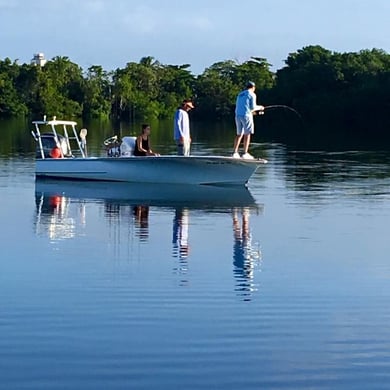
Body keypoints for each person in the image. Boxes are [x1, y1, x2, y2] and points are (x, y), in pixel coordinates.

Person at [232, 81, 264, 159]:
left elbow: (244, 106)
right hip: (246, 116)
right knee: (247, 134)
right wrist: (261, 107)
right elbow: (253, 107)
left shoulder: (240, 94)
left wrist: (253, 112)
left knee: (239, 134)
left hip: (238, 115)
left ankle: (235, 153)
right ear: (253, 87)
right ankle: (245, 153)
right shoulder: (252, 94)